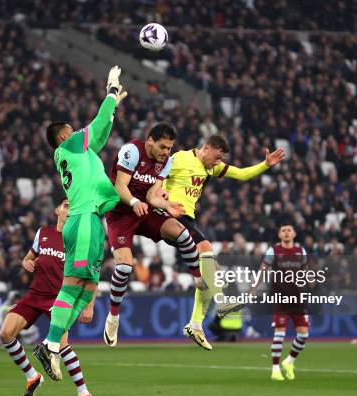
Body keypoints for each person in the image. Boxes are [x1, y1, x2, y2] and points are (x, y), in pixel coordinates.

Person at [33, 66, 126, 382]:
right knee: (73, 283)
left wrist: (112, 111)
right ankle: (49, 344)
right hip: (84, 219)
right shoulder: (68, 146)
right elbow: (96, 125)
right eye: (71, 130)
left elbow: (100, 132)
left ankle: (53, 344)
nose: (77, 133)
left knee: (88, 287)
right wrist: (111, 92)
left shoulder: (79, 154)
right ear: (62, 136)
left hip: (90, 221)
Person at [163, 134, 285, 349]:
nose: (218, 162)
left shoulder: (211, 168)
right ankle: (220, 304)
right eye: (217, 157)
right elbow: (158, 177)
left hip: (187, 219)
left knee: (213, 270)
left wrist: (265, 165)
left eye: (220, 159)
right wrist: (163, 200)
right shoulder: (180, 158)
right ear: (207, 148)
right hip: (170, 215)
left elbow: (242, 174)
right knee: (207, 249)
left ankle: (195, 324)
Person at [103, 123, 208, 347]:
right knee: (124, 266)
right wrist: (133, 202)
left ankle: (198, 278)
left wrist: (166, 205)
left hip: (144, 209)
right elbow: (119, 186)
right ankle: (113, 316)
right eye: (162, 147)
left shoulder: (165, 162)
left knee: (181, 232)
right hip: (121, 212)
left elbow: (152, 194)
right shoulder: (132, 151)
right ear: (150, 140)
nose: (165, 152)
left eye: (169, 148)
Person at [0, 198, 96, 396]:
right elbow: (27, 258)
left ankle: (84, 394)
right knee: (5, 333)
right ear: (57, 211)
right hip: (35, 294)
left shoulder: (78, 240)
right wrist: (27, 263)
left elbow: (90, 275)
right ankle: (33, 376)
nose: (70, 210)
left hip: (60, 298)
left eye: (74, 207)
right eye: (67, 206)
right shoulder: (43, 233)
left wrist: (89, 306)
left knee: (61, 346)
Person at [261, 221, 310, 381]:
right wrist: (255, 289)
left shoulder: (300, 251)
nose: (287, 232)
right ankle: (275, 369)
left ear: (294, 234)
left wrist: (310, 279)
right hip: (281, 299)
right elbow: (263, 268)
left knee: (303, 335)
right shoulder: (273, 250)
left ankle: (289, 361)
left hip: (298, 299)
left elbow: (305, 269)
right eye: (284, 230)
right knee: (280, 333)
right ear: (279, 234)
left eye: (289, 230)